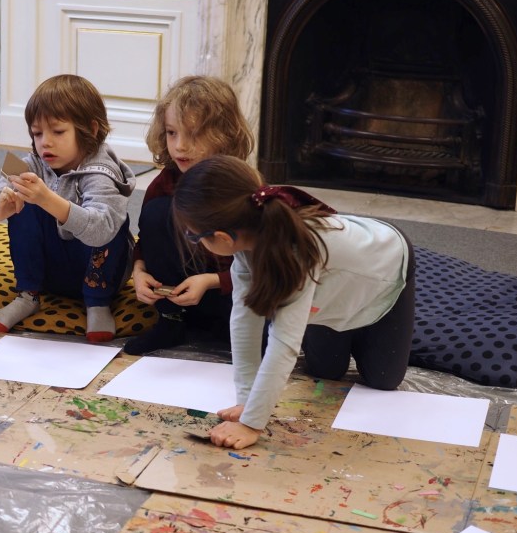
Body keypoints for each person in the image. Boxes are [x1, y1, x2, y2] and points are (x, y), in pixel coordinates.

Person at [172, 155, 415, 450]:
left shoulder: (296, 255)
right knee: (326, 371)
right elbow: (244, 321)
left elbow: (283, 345)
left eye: (195, 236)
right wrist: (246, 402)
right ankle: (347, 325)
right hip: (329, 293)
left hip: (383, 272)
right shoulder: (245, 248)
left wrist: (252, 424)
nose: (195, 242)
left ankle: (365, 326)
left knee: (383, 380)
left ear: (223, 237)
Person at [0, 74, 136, 342]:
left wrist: (47, 199)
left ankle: (97, 303)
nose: (45, 142)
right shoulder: (32, 164)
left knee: (111, 220)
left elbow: (101, 231)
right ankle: (29, 295)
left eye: (58, 131)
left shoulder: (102, 171)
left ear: (90, 130)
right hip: (51, 273)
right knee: (21, 196)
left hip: (102, 274)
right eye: (37, 133)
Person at [124, 75, 254, 355]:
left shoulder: (241, 186)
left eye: (193, 134)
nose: (180, 146)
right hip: (180, 295)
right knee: (158, 212)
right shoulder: (164, 184)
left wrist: (211, 282)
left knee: (264, 341)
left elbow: (264, 267)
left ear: (224, 135)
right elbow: (146, 240)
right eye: (172, 133)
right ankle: (171, 321)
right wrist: (139, 270)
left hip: (233, 293)